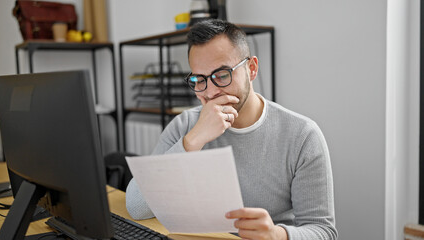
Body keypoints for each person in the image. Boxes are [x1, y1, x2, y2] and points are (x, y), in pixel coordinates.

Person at [126, 19, 338, 240]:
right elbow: (136, 207)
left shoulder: (302, 136)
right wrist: (193, 140)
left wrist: (277, 235)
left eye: (222, 75)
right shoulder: (185, 126)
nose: (210, 92)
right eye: (199, 79)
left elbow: (323, 231)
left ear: (251, 69)